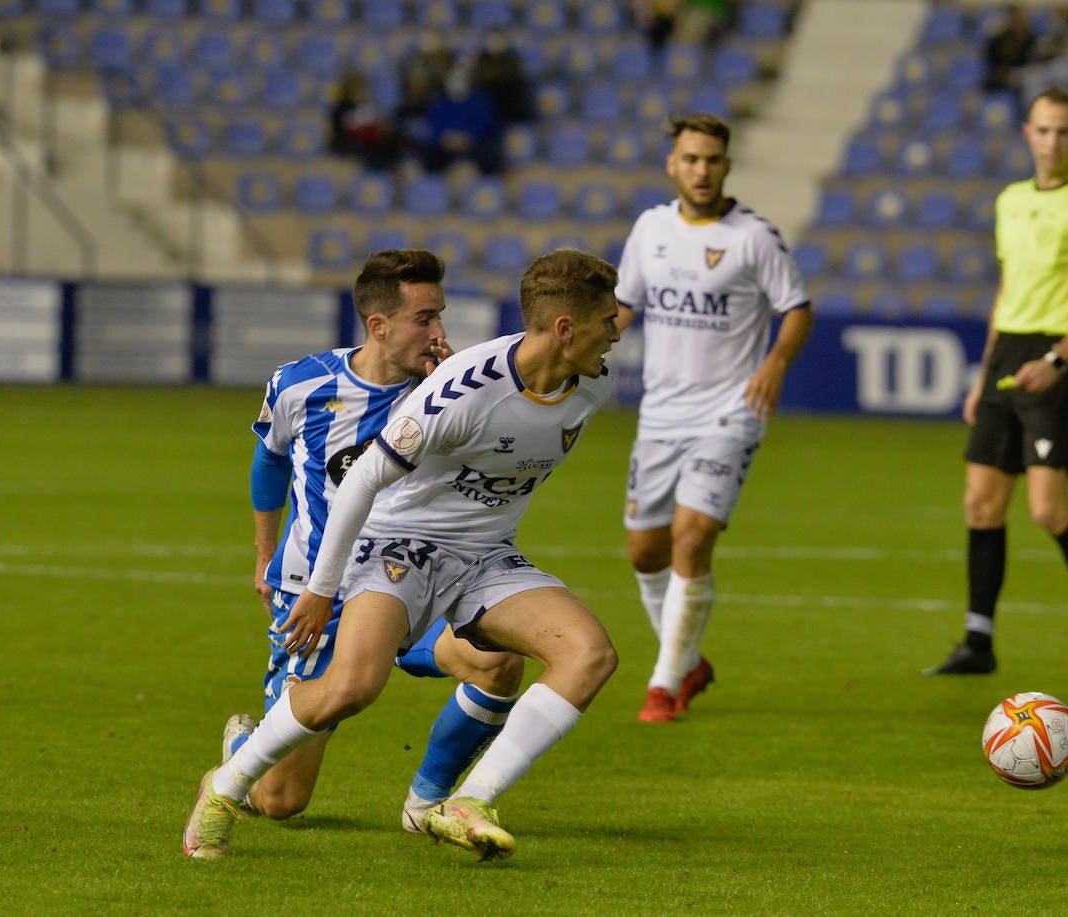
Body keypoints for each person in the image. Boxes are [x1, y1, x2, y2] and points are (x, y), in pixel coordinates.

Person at [184, 248, 622, 862]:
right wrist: (317, 589)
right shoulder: (463, 389)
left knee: (589, 654)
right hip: (396, 548)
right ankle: (227, 787)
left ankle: (458, 802)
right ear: (566, 328)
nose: (617, 332)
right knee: (352, 690)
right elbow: (361, 480)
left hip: (484, 557)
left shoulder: (593, 387)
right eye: (608, 320)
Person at [223, 249, 525, 836]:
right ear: (378, 326)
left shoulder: (444, 391)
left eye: (440, 315)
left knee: (497, 663)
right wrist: (264, 553)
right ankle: (247, 744)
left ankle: (428, 805)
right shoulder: (301, 385)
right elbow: (270, 458)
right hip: (319, 597)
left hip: (406, 582)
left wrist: (466, 386)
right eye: (425, 319)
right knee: (282, 802)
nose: (439, 332)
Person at [924, 87, 1068, 683]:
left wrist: (1059, 361)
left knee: (1048, 509)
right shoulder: (1010, 200)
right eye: (1043, 131)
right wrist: (982, 373)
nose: (1052, 142)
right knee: (981, 504)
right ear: (1028, 133)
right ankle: (978, 641)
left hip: (1056, 356)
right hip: (1007, 353)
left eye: (1064, 131)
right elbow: (1007, 292)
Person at [614, 113, 814, 723]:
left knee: (692, 536)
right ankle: (690, 661)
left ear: (726, 165)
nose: (702, 170)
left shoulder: (754, 236)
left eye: (713, 160)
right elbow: (623, 307)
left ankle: (664, 683)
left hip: (731, 410)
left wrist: (775, 362)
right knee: (644, 553)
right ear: (673, 164)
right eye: (691, 159)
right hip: (660, 416)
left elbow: (797, 308)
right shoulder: (650, 228)